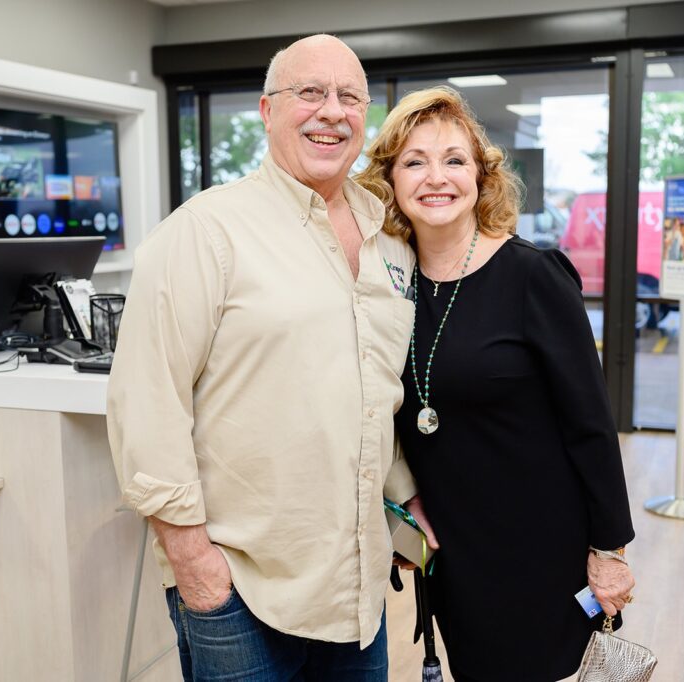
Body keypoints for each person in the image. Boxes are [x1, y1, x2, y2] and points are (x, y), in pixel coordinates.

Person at [106, 35, 437, 681]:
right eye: (309, 92)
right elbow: (147, 403)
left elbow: (378, 394)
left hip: (356, 589)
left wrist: (406, 504)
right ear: (266, 109)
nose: (331, 111)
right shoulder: (206, 231)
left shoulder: (390, 239)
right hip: (241, 589)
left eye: (348, 96)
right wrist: (195, 563)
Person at [356, 86, 636, 681]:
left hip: (538, 545)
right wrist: (404, 512)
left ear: (481, 177)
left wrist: (608, 551)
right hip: (454, 546)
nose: (436, 178)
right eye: (414, 161)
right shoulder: (387, 285)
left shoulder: (533, 275)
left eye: (454, 160)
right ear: (391, 180)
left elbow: (590, 424)